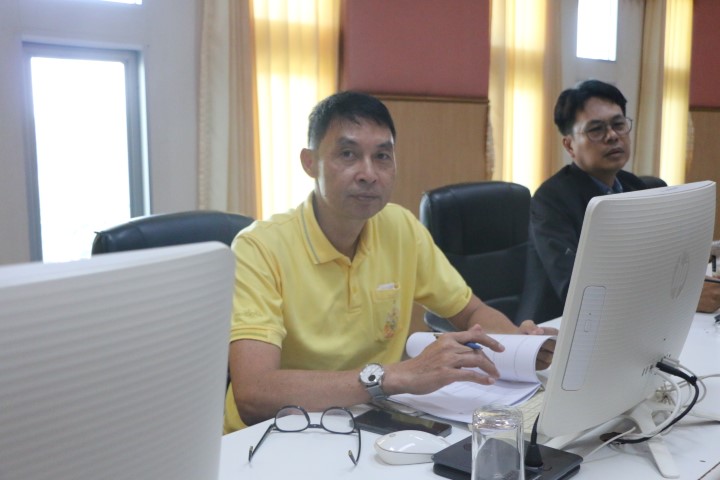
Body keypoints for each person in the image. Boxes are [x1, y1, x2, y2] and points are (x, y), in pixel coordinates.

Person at [224, 91, 556, 433]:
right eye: (348, 154)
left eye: (382, 156)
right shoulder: (259, 247)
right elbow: (253, 392)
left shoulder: (400, 227)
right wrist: (392, 376)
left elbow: (471, 312)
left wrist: (519, 346)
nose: (368, 174)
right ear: (310, 163)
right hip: (275, 435)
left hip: (368, 422)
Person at [524, 79, 720, 322]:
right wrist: (681, 296)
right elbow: (577, 290)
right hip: (558, 327)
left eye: (618, 125)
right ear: (570, 145)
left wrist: (695, 281)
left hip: (635, 318)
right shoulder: (551, 199)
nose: (612, 136)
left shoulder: (635, 186)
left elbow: (662, 260)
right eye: (596, 129)